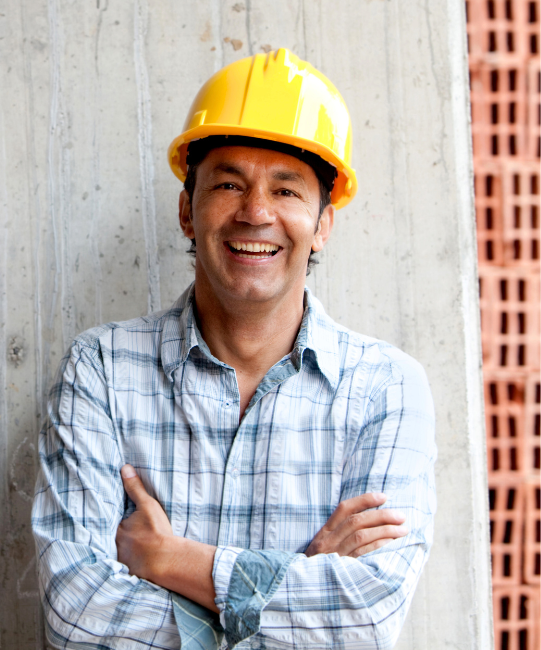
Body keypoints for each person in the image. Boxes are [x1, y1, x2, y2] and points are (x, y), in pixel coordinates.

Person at [32, 48, 436, 650]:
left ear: (323, 223)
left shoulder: (386, 388)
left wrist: (171, 562)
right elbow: (78, 616)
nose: (255, 212)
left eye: (287, 189)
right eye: (228, 183)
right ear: (186, 210)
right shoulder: (101, 371)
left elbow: (366, 620)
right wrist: (302, 571)